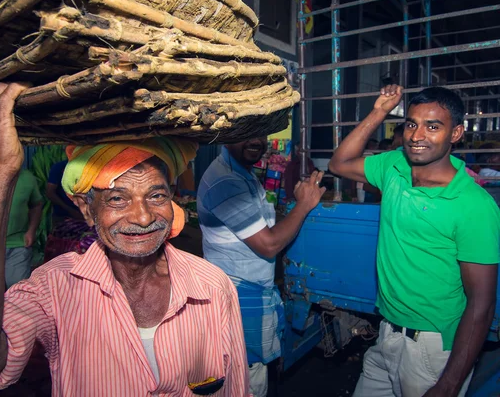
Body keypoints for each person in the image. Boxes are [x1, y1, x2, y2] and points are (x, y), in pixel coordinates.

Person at [0, 83, 249, 396]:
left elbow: (235, 388)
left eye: (156, 195)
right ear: (87, 209)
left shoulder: (212, 285)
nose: (142, 217)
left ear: (173, 200)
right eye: (116, 199)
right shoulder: (54, 288)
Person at [329, 84, 500, 397]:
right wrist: (379, 111)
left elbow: (481, 304)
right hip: (387, 333)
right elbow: (338, 164)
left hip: (432, 351)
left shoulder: (473, 205)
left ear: (456, 133)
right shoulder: (394, 167)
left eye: (433, 126)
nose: (417, 136)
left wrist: (449, 384)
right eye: (411, 124)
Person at [197, 137, 325, 397]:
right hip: (237, 298)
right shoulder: (226, 181)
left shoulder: (241, 173)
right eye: (247, 132)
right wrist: (303, 204)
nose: (255, 140)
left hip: (248, 293)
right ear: (228, 135)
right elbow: (268, 244)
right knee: (246, 379)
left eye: (261, 133)